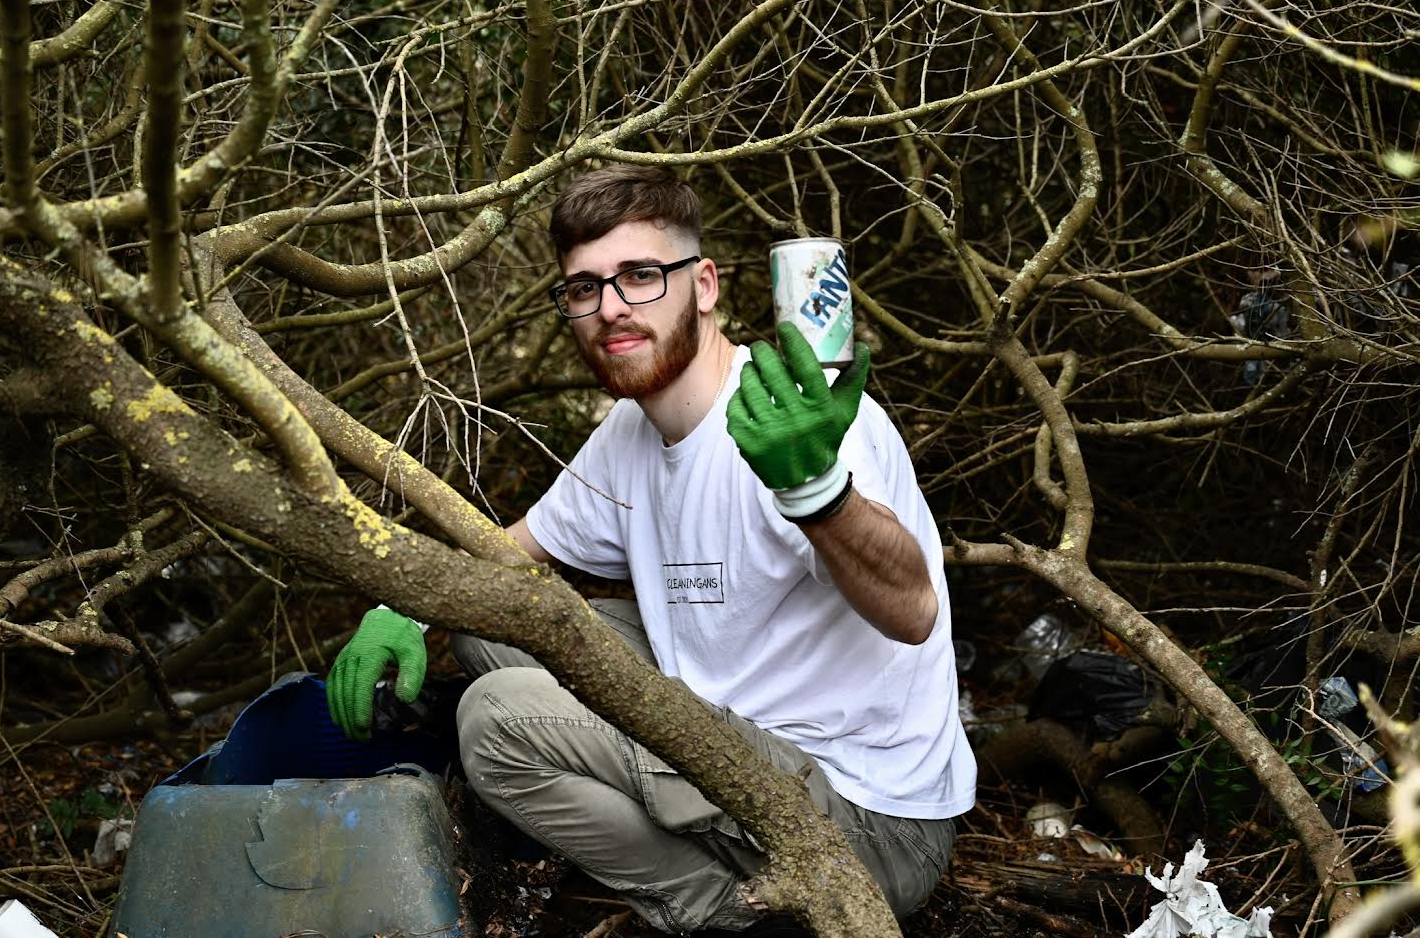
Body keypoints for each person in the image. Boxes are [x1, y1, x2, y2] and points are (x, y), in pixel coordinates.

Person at [325, 165, 975, 936]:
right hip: (727, 734)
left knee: (495, 717)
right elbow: (507, 558)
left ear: (703, 285)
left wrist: (817, 492)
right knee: (490, 625)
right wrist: (399, 602)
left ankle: (734, 915)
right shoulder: (629, 435)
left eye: (640, 276)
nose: (611, 309)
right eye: (585, 288)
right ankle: (709, 867)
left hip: (865, 821)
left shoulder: (799, 416)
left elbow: (914, 613)